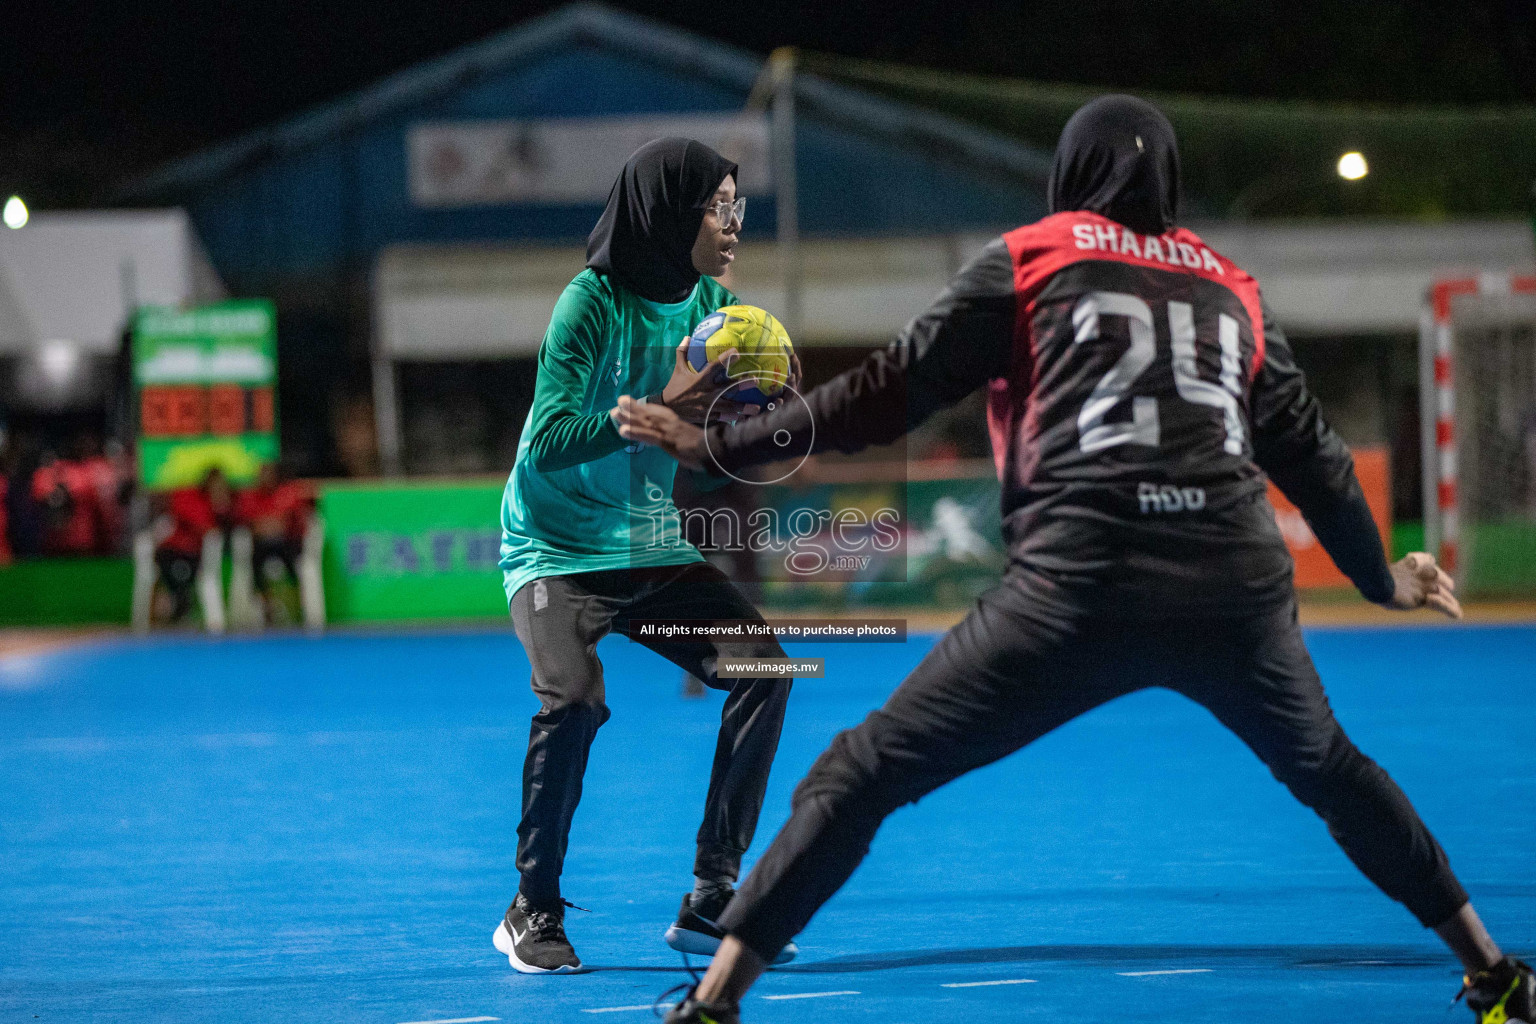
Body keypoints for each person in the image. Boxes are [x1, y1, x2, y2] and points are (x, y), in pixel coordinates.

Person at [615, 97, 1532, 1024]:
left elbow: (889, 391)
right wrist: (1382, 580)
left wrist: (718, 443)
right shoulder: (1232, 285)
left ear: (1068, 174)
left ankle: (715, 1001)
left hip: (1079, 584)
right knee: (1333, 771)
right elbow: (1316, 460)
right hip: (1234, 590)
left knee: (860, 773)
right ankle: (1494, 974)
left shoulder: (1035, 255)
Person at [492, 138, 802, 975]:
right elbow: (548, 443)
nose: (735, 223)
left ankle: (711, 898)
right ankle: (532, 909)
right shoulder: (587, 304)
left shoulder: (714, 307)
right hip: (553, 548)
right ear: (670, 215)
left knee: (765, 671)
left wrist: (742, 421)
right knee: (574, 700)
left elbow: (706, 435)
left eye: (739, 206)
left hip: (649, 544)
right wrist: (659, 406)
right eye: (719, 207)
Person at [234, 463, 313, 622]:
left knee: (291, 564)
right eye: (261, 474)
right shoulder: (251, 496)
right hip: (261, 545)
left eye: (268, 474)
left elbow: (288, 522)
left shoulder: (288, 493)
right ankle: (266, 606)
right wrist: (267, 525)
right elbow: (251, 523)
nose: (265, 478)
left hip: (288, 542)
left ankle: (297, 604)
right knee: (255, 564)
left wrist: (273, 525)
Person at [155, 467, 233, 624]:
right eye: (215, 483)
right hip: (174, 550)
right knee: (172, 568)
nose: (218, 487)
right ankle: (179, 603)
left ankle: (182, 605)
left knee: (189, 575)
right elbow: (194, 523)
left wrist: (220, 507)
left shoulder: (223, 503)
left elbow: (220, 531)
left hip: (198, 556)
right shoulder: (187, 496)